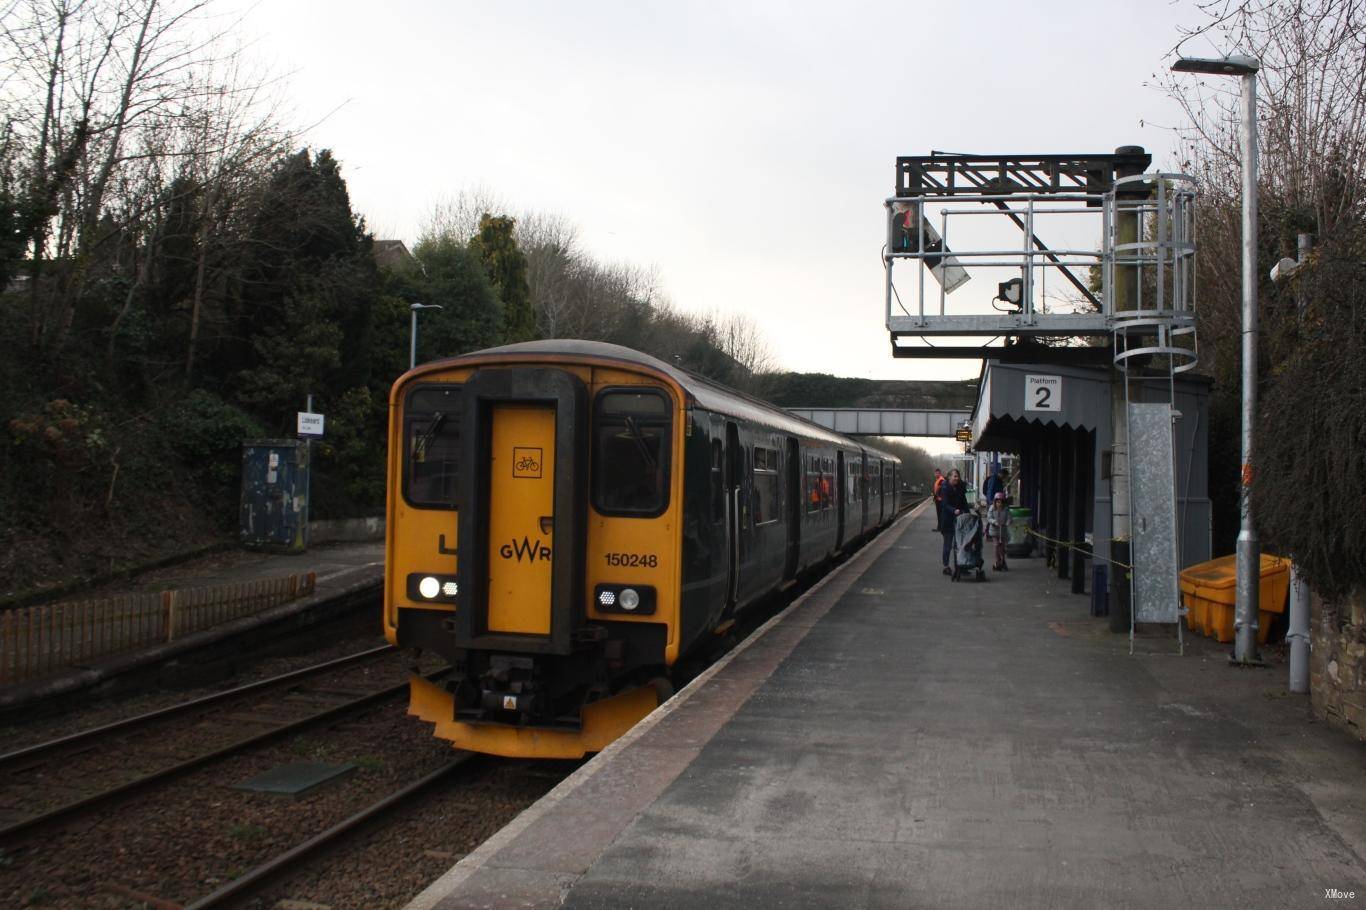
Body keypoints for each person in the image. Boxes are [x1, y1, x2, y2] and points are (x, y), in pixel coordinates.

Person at [939, 469, 968, 574]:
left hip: (959, 519)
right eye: (954, 476)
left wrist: (968, 513)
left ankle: (961, 566)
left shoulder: (960, 487)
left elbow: (964, 502)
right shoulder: (945, 487)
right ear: (949, 477)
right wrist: (953, 510)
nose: (956, 478)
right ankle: (946, 566)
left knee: (960, 544)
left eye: (957, 476)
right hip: (947, 520)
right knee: (948, 545)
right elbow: (944, 504)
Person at [989, 492, 1011, 571]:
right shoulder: (992, 508)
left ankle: (1003, 560)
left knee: (1002, 546)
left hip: (1003, 530)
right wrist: (994, 522)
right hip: (994, 530)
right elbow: (989, 518)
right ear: (995, 502)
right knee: (997, 545)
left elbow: (1009, 517)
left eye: (1001, 502)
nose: (999, 504)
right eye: (998, 502)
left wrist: (1007, 523)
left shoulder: (1006, 509)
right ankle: (997, 561)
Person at [931, 468, 945, 533]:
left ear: (940, 473)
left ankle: (940, 528)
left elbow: (939, 490)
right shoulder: (938, 480)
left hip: (940, 500)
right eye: (936, 473)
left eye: (938, 473)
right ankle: (940, 527)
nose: (936, 474)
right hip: (938, 499)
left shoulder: (941, 480)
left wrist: (937, 497)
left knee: (940, 514)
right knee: (939, 514)